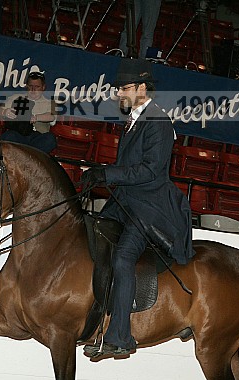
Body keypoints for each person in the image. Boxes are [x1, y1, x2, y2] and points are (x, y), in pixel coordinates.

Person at [81, 58, 194, 359]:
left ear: (142, 87)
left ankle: (120, 336)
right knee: (88, 239)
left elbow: (150, 170)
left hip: (149, 205)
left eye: (125, 88)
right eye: (118, 88)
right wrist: (100, 176)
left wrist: (106, 174)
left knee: (122, 259)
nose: (119, 93)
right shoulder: (133, 119)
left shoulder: (158, 122)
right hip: (125, 201)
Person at [0, 71, 57, 154]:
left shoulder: (51, 103)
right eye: (30, 86)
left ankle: (29, 156)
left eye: (37, 87)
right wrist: (4, 111)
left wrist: (36, 117)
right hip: (18, 136)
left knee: (50, 139)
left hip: (37, 138)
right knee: (8, 136)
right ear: (26, 86)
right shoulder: (16, 97)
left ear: (43, 87)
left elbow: (51, 117)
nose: (33, 90)